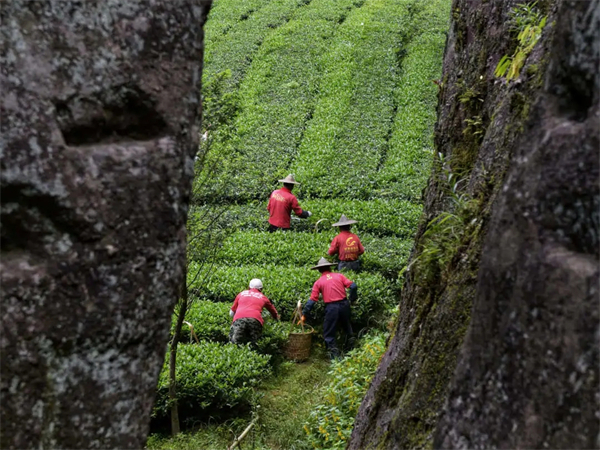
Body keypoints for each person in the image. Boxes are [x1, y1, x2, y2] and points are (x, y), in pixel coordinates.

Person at [302, 257, 357, 359]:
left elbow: (312, 300)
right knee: (347, 328)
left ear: (319, 270)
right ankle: (351, 352)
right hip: (345, 305)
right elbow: (353, 286)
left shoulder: (318, 282)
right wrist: (352, 299)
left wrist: (304, 313)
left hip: (332, 308)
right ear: (330, 267)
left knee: (329, 333)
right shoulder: (339, 276)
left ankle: (335, 358)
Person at [229, 278, 279, 346]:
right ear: (261, 289)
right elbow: (273, 312)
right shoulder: (263, 297)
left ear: (249, 287)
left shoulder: (241, 294)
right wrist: (276, 319)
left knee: (235, 343)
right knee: (253, 344)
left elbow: (231, 313)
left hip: (239, 319)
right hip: (255, 320)